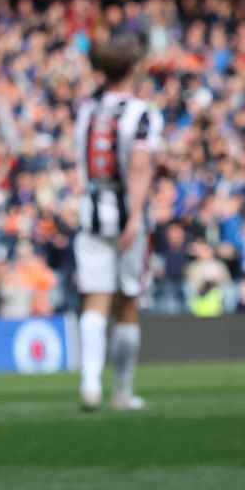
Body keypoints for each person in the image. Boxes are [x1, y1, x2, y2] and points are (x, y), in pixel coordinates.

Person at [72, 35, 163, 412]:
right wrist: (137, 215)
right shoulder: (143, 113)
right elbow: (140, 165)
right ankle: (122, 392)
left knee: (94, 298)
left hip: (92, 211)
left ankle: (90, 384)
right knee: (127, 301)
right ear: (134, 68)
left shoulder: (86, 111)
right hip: (128, 214)